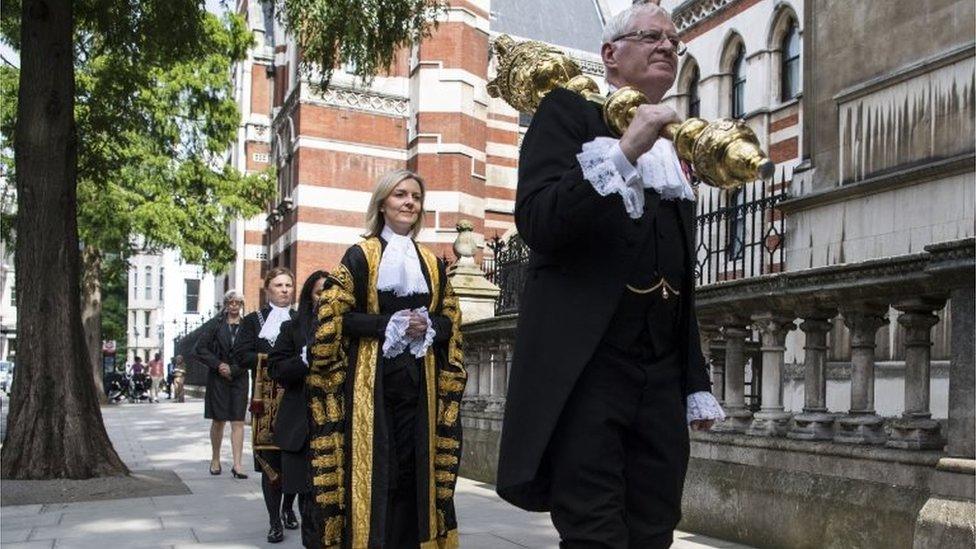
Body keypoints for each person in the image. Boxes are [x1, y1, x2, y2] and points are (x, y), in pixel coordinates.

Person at [495, 3, 726, 548]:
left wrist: (694, 381)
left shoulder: (677, 143)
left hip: (661, 375)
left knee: (654, 527)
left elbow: (678, 277)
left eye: (674, 39)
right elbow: (538, 222)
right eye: (651, 36)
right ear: (611, 55)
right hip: (588, 369)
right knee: (594, 531)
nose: (667, 46)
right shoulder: (567, 113)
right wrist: (625, 151)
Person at [309, 169, 466, 548]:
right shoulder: (360, 255)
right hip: (371, 388)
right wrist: (387, 325)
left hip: (420, 386)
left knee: (415, 473)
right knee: (382, 472)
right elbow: (333, 317)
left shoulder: (431, 262)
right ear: (383, 203)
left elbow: (452, 321)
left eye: (415, 196)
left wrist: (427, 325)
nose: (409, 202)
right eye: (400, 195)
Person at [233, 268, 298, 544]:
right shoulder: (253, 321)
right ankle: (274, 521)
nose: (284, 290)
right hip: (266, 403)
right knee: (270, 461)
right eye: (278, 285)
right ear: (268, 289)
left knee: (293, 458)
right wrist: (270, 359)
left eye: (288, 285)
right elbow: (240, 354)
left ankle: (288, 507)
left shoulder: (300, 319)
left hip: (295, 400)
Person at [268, 269, 329, 548]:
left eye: (329, 292)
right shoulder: (292, 328)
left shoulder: (347, 327)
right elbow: (276, 369)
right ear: (308, 296)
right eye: (319, 292)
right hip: (303, 425)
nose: (325, 298)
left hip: (336, 425)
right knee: (310, 503)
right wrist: (302, 362)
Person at [193, 290, 249, 479]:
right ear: (226, 304)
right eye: (230, 302)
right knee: (219, 420)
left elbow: (251, 351)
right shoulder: (215, 326)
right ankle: (215, 459)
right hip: (218, 378)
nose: (234, 306)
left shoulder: (247, 326)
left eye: (237, 303)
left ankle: (238, 464)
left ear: (241, 305)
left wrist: (234, 369)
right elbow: (199, 349)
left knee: (238, 421)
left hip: (239, 377)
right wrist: (219, 365)